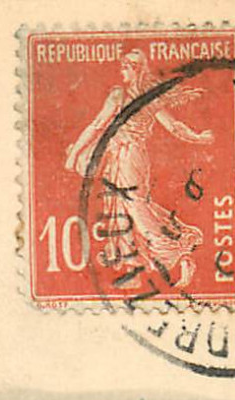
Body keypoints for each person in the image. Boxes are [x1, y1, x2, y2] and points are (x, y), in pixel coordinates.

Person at [63, 49, 215, 288]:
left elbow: (97, 125)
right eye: (123, 64)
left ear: (137, 70)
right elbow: (174, 126)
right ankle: (137, 266)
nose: (122, 68)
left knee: (135, 208)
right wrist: (197, 137)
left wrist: (74, 154)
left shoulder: (118, 95)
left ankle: (177, 251)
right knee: (135, 205)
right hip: (136, 156)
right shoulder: (149, 96)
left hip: (126, 157)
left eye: (127, 65)